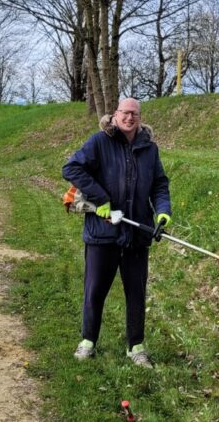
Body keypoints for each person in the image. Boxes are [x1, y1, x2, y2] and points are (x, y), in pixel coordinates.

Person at [61, 98, 172, 368]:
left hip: (137, 234)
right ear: (115, 116)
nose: (129, 118)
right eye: (125, 113)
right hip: (103, 232)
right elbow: (71, 168)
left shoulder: (149, 148)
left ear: (140, 117)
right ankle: (88, 341)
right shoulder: (99, 142)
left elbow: (159, 184)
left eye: (134, 114)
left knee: (136, 293)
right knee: (95, 290)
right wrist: (101, 199)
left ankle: (136, 347)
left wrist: (162, 211)